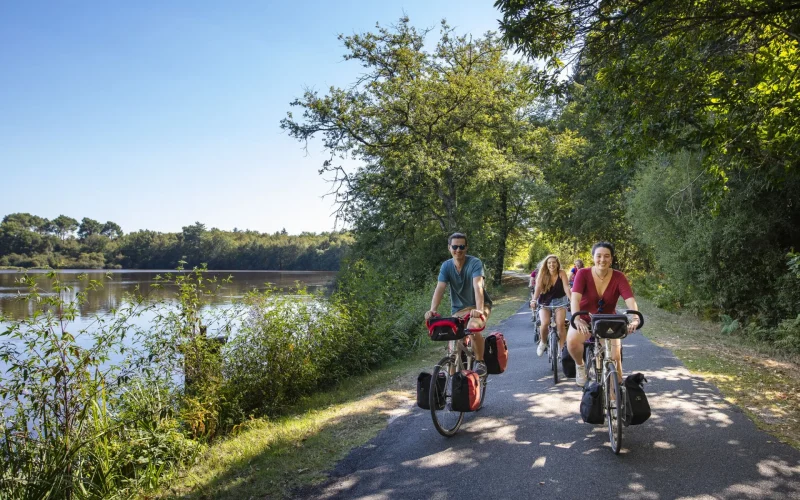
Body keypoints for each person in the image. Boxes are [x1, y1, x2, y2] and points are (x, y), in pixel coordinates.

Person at [567, 242, 640, 387]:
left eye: (607, 256)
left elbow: (630, 300)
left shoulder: (619, 277)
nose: (602, 259)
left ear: (611, 259)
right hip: (585, 320)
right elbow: (575, 298)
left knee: (615, 358)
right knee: (573, 342)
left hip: (608, 322)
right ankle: (580, 366)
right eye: (599, 256)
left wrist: (635, 318)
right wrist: (577, 318)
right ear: (593, 257)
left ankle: (615, 401)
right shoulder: (583, 273)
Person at [425, 232, 493, 376]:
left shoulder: (475, 263)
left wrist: (479, 310)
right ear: (449, 248)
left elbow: (478, 287)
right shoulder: (446, 266)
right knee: (452, 337)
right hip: (459, 309)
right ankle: (453, 373)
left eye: (462, 246)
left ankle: (480, 362)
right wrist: (432, 310)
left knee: (473, 327)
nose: (458, 250)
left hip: (479, 306)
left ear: (466, 248)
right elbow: (440, 288)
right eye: (455, 246)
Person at [530, 255, 571, 357]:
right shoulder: (543, 274)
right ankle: (543, 342)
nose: (551, 264)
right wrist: (534, 300)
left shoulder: (561, 273)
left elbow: (566, 287)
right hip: (545, 302)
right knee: (545, 323)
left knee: (560, 324)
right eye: (549, 263)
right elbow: (538, 288)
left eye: (554, 262)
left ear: (557, 264)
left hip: (560, 302)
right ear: (546, 264)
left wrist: (571, 299)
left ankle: (563, 350)